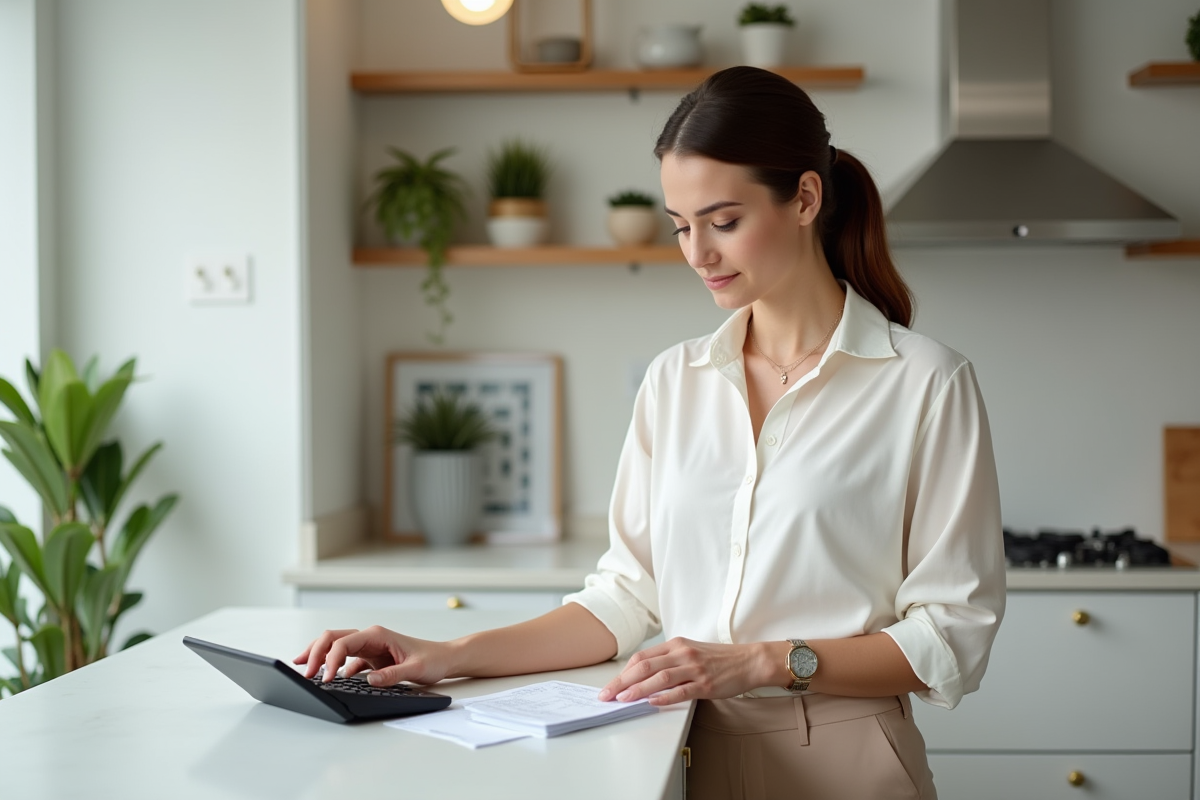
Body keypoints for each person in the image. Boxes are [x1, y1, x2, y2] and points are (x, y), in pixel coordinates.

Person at [296, 66, 1004, 799]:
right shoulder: (676, 381)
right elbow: (627, 599)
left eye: (723, 222)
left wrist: (764, 662)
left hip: (846, 757)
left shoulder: (925, 382)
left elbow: (951, 637)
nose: (697, 253)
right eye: (680, 225)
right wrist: (441, 655)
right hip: (678, 749)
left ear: (804, 197)